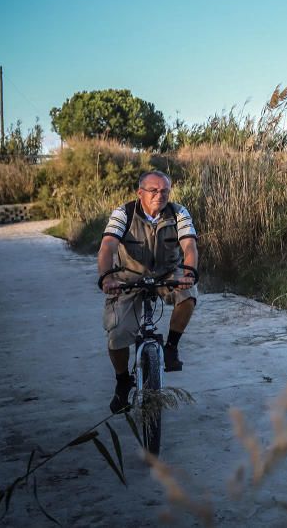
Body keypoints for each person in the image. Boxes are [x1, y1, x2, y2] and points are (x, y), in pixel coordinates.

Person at [97, 170, 199, 413]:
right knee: (117, 334)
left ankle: (171, 347)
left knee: (189, 295)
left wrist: (189, 273)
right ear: (140, 192)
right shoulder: (124, 213)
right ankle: (123, 381)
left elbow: (190, 245)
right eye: (153, 190)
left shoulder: (178, 212)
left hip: (166, 273)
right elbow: (107, 246)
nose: (159, 195)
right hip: (128, 278)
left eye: (164, 190)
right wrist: (107, 277)